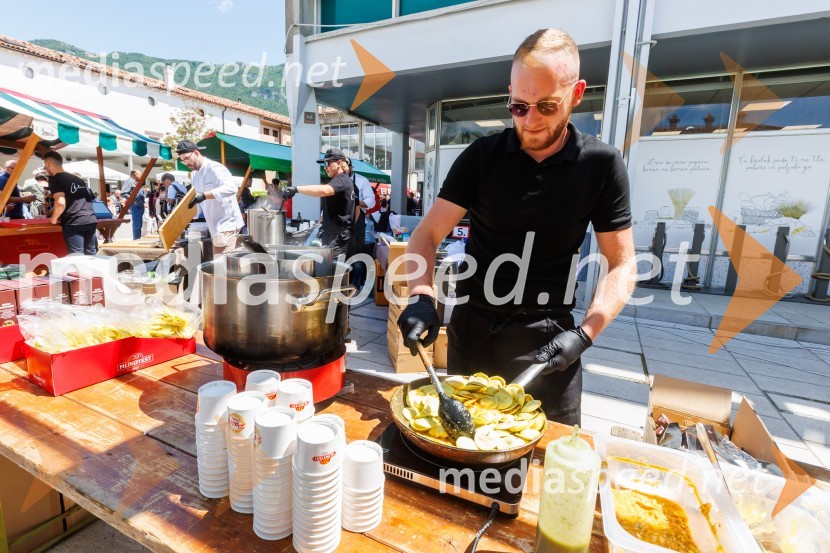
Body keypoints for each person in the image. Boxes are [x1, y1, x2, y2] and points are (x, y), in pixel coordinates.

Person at [397, 29, 635, 426]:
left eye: (546, 106)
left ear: (576, 95)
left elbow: (622, 263)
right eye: (519, 106)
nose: (531, 121)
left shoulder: (601, 166)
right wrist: (421, 297)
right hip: (473, 333)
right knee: (459, 454)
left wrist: (585, 334)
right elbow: (426, 235)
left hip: (547, 343)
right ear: (510, 92)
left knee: (546, 465)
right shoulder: (481, 158)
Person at [281, 148, 356, 259]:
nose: (325, 167)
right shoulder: (339, 180)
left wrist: (296, 189)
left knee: (333, 271)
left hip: (338, 236)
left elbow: (323, 191)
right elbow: (336, 207)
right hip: (333, 233)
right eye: (324, 164)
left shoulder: (342, 180)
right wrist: (320, 221)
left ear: (339, 163)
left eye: (328, 163)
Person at [177, 140, 244, 255]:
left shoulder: (214, 168)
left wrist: (204, 195)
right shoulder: (194, 174)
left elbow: (232, 188)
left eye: (187, 158)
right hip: (214, 226)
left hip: (227, 224)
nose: (186, 163)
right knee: (228, 266)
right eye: (183, 161)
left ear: (197, 153)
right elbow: (199, 204)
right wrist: (186, 210)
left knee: (220, 266)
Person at [43, 151, 98, 255]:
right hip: (90, 219)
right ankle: (93, 272)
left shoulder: (55, 179)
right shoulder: (78, 179)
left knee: (77, 256)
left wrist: (53, 219)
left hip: (74, 221)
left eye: (45, 166)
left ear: (48, 164)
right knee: (91, 254)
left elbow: (60, 202)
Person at [346, 160, 376, 290]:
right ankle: (343, 282)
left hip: (358, 223)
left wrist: (356, 203)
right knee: (342, 254)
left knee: (356, 254)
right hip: (340, 223)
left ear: (351, 168)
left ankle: (355, 283)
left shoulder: (361, 181)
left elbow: (371, 201)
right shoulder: (335, 182)